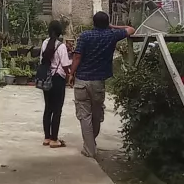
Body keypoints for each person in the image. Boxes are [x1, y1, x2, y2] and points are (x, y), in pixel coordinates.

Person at [68, 12, 135, 159]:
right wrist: (112, 27)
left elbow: (77, 56)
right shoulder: (111, 35)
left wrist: (71, 73)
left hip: (81, 81)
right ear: (107, 23)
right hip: (98, 82)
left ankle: (89, 148)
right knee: (96, 115)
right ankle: (91, 144)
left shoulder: (85, 36)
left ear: (93, 22)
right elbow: (131, 29)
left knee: (84, 116)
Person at [40, 20, 72, 149]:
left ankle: (47, 137)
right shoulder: (61, 46)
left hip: (46, 78)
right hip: (58, 79)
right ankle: (54, 139)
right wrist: (70, 75)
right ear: (60, 32)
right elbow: (65, 65)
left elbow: (42, 60)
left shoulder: (45, 43)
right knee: (57, 109)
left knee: (48, 108)